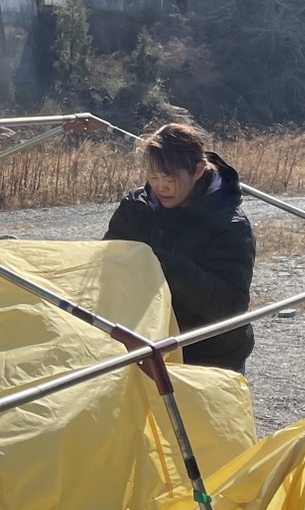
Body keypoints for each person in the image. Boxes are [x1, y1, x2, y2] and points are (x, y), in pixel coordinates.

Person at [102, 120, 256, 373]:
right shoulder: (135, 208)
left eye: (170, 178)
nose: (161, 186)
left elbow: (231, 308)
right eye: (153, 177)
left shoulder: (229, 224)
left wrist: (170, 269)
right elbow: (107, 264)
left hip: (209, 357)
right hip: (146, 349)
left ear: (198, 170)